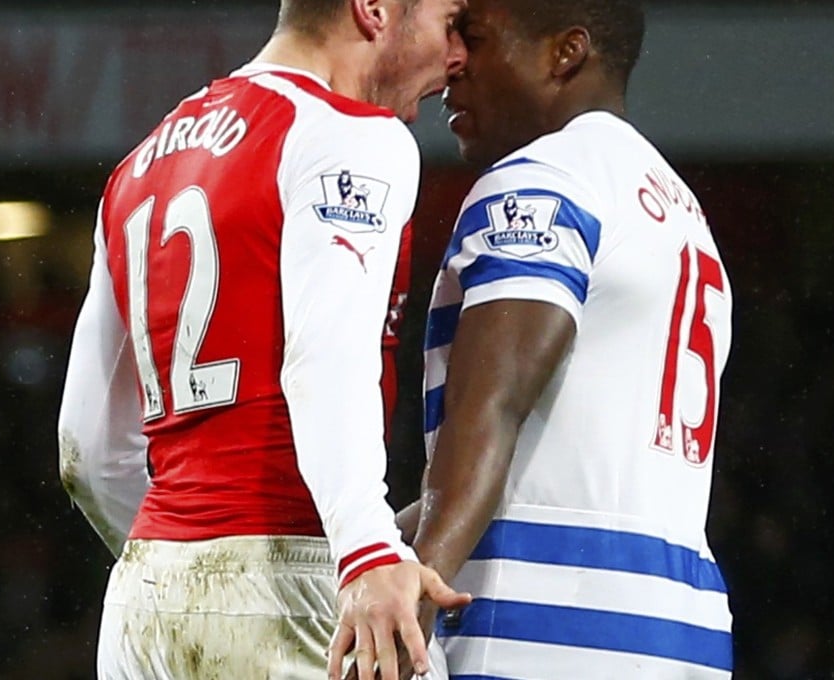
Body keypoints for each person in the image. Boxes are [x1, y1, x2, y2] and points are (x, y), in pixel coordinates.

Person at [56, 1, 472, 678]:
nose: (459, 57)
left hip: (141, 604)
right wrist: (367, 548)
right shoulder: (349, 135)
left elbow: (87, 452)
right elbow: (325, 358)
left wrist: (183, 561)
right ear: (373, 9)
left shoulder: (137, 168)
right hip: (293, 580)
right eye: (449, 22)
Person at [394, 0, 735, 677]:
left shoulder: (541, 181)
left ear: (565, 53)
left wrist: (415, 590)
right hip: (682, 625)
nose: (453, 63)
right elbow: (556, 466)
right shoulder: (681, 211)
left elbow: (492, 411)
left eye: (478, 39)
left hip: (538, 618)